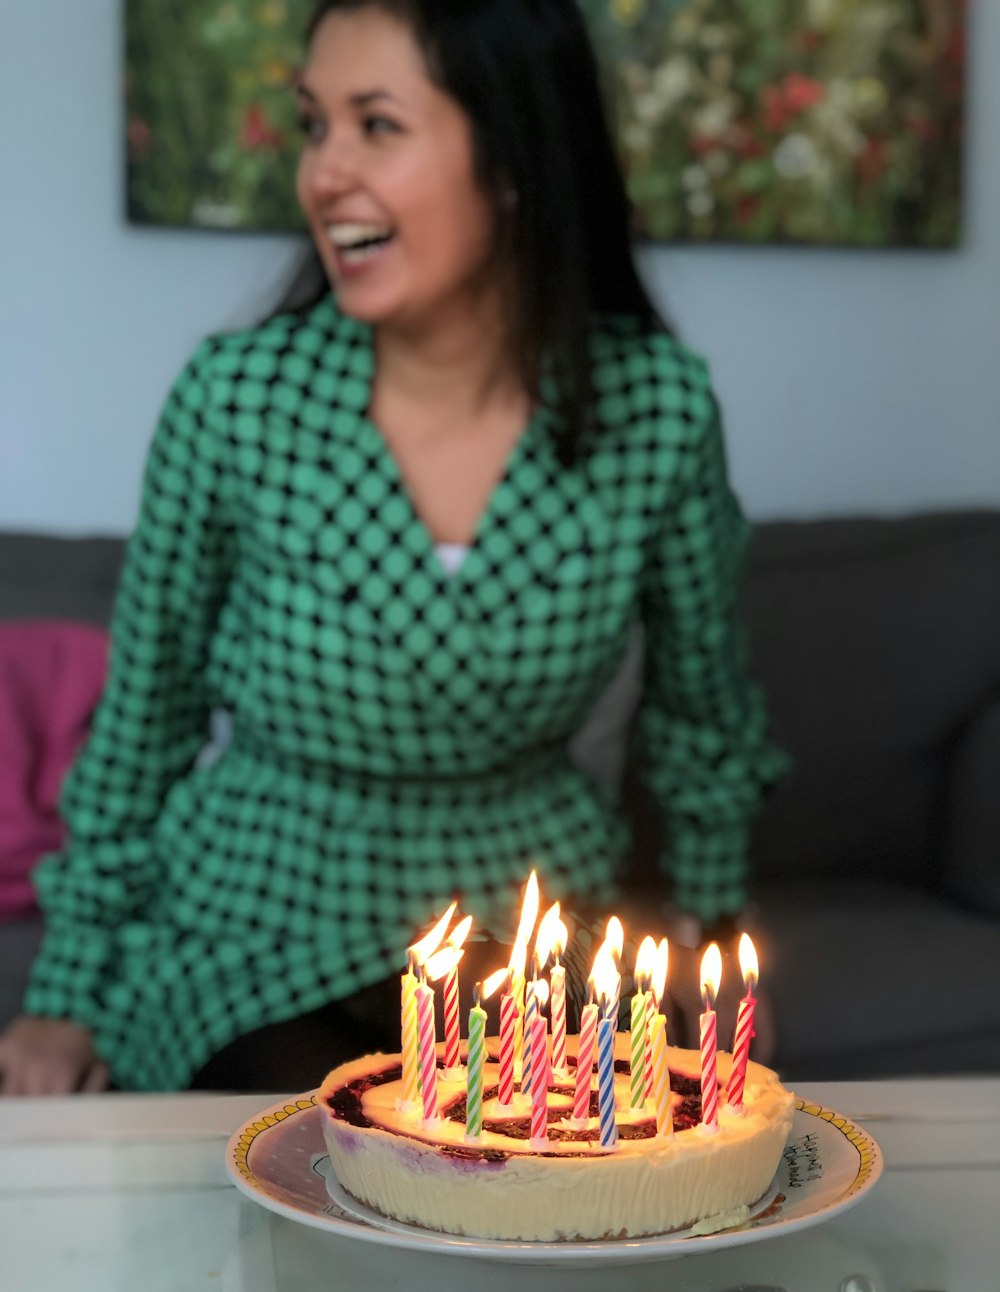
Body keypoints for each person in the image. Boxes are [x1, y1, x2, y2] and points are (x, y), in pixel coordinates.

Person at [0, 0, 785, 1096]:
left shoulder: (655, 407)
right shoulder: (236, 401)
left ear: (512, 159)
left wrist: (706, 954)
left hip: (523, 916)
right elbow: (144, 724)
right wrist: (64, 994)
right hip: (258, 913)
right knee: (323, 1156)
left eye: (376, 125)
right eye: (315, 126)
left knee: (545, 1198)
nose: (323, 174)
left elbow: (706, 722)